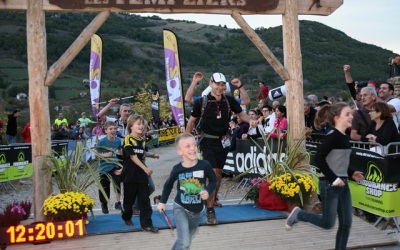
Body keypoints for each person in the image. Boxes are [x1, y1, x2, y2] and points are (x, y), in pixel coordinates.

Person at [285, 102, 364, 250]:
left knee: (346, 223)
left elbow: (338, 161)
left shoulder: (343, 136)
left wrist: (351, 173)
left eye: (351, 114)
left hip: (343, 183)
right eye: (347, 114)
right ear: (337, 117)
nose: (351, 117)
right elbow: (318, 159)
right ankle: (299, 214)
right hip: (329, 184)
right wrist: (334, 178)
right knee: (328, 223)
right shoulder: (332, 136)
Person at [185, 72, 249, 225]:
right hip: (207, 140)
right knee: (213, 172)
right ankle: (210, 210)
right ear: (211, 84)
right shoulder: (202, 101)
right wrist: (186, 140)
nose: (220, 87)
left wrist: (252, 121)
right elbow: (192, 120)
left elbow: (243, 112)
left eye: (223, 84)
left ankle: (212, 199)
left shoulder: (229, 101)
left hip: (223, 141)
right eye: (218, 84)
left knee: (218, 174)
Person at [157, 133, 217, 250]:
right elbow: (168, 185)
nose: (193, 148)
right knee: (184, 243)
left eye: (194, 145)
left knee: (185, 241)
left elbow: (214, 181)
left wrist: (208, 191)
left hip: (198, 211)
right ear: (180, 152)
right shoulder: (177, 169)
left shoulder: (205, 165)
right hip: (181, 208)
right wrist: (162, 201)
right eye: (188, 146)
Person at [120, 114, 158, 233]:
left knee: (145, 201)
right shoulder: (128, 138)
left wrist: (152, 155)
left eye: (142, 124)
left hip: (141, 176)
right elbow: (132, 156)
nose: (141, 126)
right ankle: (126, 216)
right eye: (138, 124)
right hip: (130, 175)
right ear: (131, 126)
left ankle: (147, 224)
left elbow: (142, 153)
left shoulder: (142, 140)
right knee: (128, 202)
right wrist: (146, 169)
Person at [96, 121, 123, 214]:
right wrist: (106, 155)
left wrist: (125, 155)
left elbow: (120, 150)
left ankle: (118, 202)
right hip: (104, 167)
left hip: (115, 165)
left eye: (115, 128)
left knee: (118, 183)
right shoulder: (102, 141)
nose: (113, 130)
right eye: (110, 129)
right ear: (106, 130)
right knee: (104, 186)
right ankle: (104, 204)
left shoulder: (118, 140)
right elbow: (96, 154)